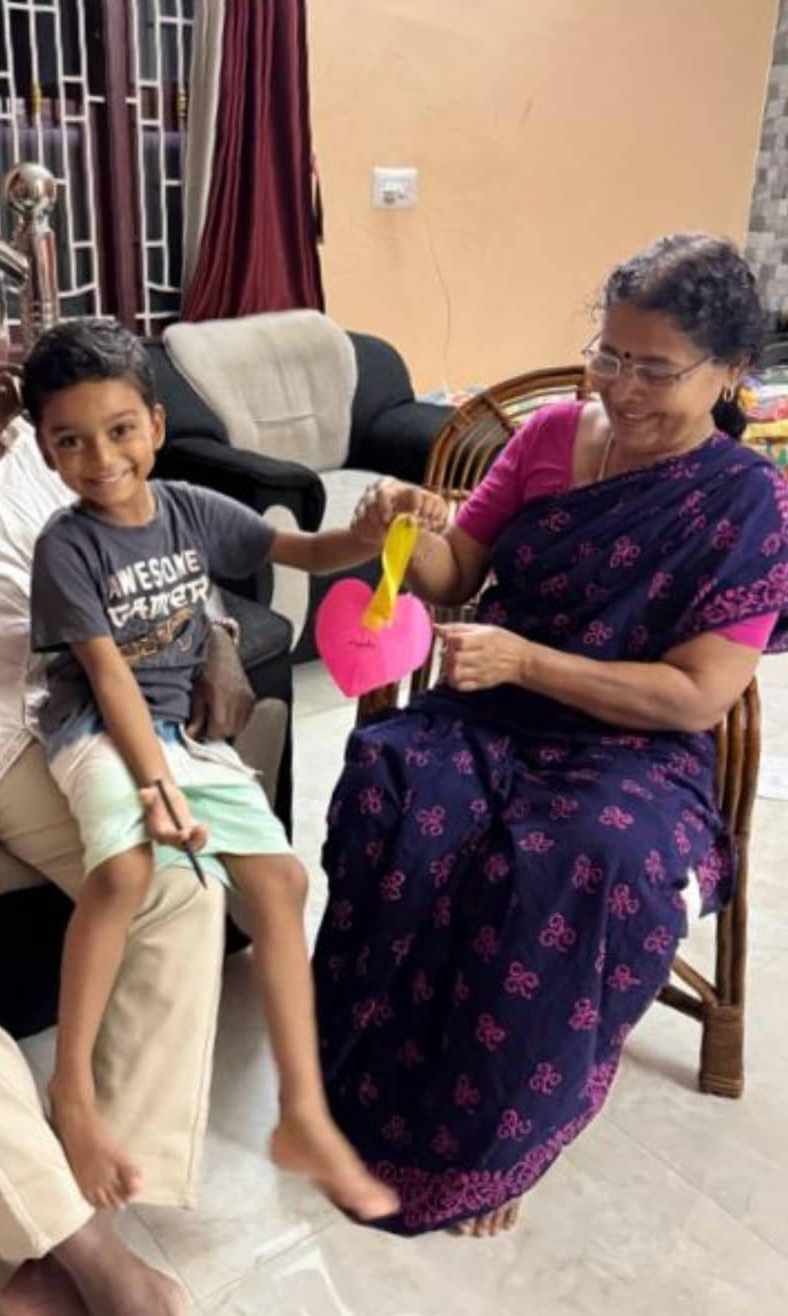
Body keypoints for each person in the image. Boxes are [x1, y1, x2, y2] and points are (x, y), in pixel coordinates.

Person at [311, 233, 788, 1239]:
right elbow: (453, 573)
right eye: (608, 354)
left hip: (632, 742)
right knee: (388, 783)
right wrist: (406, 527)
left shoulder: (747, 502)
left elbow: (694, 697)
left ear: (729, 372)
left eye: (654, 368)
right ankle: (366, 1086)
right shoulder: (550, 434)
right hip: (489, 705)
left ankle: (499, 1142)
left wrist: (527, 662)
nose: (621, 387)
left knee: (582, 856)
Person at [0, 244, 264, 1316]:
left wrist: (218, 632)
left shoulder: (48, 447)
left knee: (181, 886)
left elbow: (150, 545)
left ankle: (86, 1185)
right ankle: (81, 1253)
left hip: (37, 715)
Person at [21, 317, 413, 1223]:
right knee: (126, 872)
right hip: (96, 731)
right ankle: (72, 1090)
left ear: (155, 425)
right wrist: (155, 785)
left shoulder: (191, 510)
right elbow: (107, 675)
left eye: (120, 430)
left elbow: (307, 553)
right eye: (70, 441)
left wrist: (371, 529)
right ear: (45, 451)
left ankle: (302, 1113)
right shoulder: (66, 547)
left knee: (281, 881)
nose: (101, 458)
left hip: (184, 737)